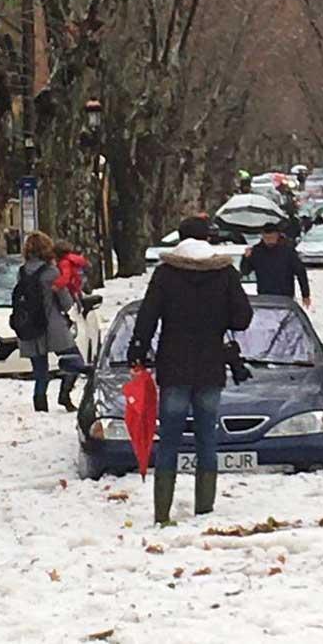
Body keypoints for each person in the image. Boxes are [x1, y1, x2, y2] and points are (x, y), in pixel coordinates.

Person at [128, 216, 253, 525]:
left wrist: (138, 351)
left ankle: (162, 512)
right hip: (211, 364)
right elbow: (242, 318)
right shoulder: (224, 273)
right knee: (206, 436)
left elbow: (147, 316)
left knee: (169, 437)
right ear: (207, 241)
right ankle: (204, 509)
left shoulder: (166, 274)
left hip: (174, 364)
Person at [16, 232, 89, 413]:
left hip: (30, 326)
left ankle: (40, 405)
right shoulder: (52, 272)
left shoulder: (21, 272)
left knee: (40, 372)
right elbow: (65, 302)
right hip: (53, 326)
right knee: (75, 360)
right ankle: (64, 395)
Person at [241, 222, 312, 308]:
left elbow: (300, 272)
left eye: (272, 237)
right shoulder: (257, 251)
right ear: (262, 236)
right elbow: (245, 271)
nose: (269, 240)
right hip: (264, 296)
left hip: (285, 295)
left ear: (277, 235)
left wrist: (305, 294)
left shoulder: (287, 251)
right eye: (266, 238)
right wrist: (246, 258)